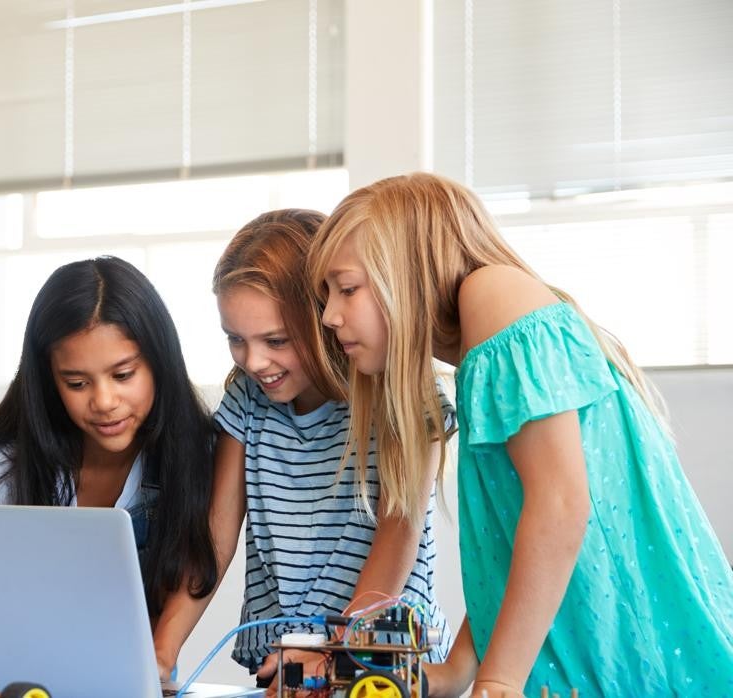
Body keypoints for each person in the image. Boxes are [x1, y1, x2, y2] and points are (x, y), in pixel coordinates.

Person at [309, 172, 733, 697]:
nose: (330, 316)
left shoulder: (493, 294)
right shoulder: (482, 354)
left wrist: (499, 680)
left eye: (347, 288)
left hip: (653, 660)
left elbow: (560, 505)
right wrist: (458, 670)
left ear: (409, 269)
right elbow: (513, 546)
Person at [0, 256, 219, 671]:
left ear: (160, 363)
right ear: (49, 381)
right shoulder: (2, 469)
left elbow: (189, 586)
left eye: (123, 375)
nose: (104, 401)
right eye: (77, 383)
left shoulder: (198, 456)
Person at [153, 209, 452, 689]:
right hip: (285, 662)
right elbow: (215, 537)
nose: (254, 361)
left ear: (326, 316)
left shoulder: (401, 393)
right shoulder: (247, 401)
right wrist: (162, 649)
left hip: (377, 662)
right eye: (235, 339)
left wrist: (337, 650)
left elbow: (400, 532)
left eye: (275, 340)